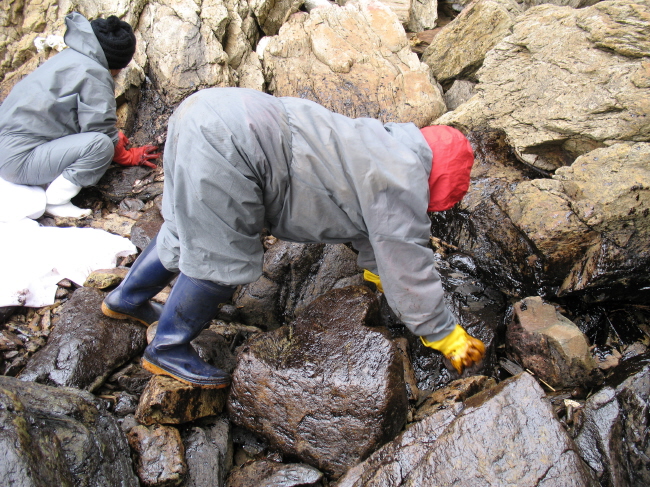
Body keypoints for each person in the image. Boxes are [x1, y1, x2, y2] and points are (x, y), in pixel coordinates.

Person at [102, 87, 486, 389]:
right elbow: (408, 263)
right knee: (222, 258)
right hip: (234, 145)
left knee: (184, 229)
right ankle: (167, 348)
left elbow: (375, 233)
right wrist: (447, 336)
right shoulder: (401, 184)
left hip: (208, 110)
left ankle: (126, 299)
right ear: (436, 183)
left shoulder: (383, 144)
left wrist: (375, 275)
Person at [0, 12, 160, 219]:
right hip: (18, 163)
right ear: (116, 64)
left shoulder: (71, 56)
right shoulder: (95, 74)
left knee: (102, 140)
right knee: (101, 145)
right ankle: (56, 201)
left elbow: (65, 115)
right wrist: (128, 156)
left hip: (7, 145)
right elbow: (101, 133)